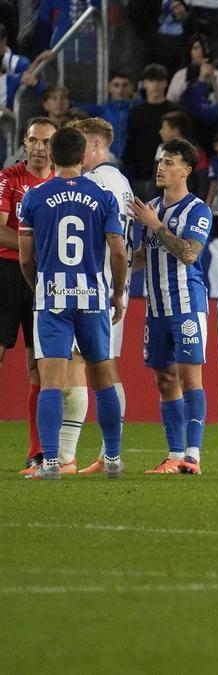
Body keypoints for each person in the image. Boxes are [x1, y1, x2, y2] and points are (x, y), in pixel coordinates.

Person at [16, 126, 126, 480]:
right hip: (92, 298)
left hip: (52, 299)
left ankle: (51, 462)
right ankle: (111, 457)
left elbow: (24, 257)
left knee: (51, 382)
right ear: (82, 157)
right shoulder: (103, 196)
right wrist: (118, 291)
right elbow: (118, 250)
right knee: (103, 378)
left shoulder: (34, 197)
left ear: (52, 155)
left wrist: (39, 285)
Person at [129, 139, 211, 475]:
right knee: (164, 379)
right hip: (156, 309)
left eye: (170, 161)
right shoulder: (150, 206)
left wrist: (156, 225)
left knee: (190, 378)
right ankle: (174, 455)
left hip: (187, 305)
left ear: (187, 170)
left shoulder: (198, 210)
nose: (161, 167)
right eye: (160, 160)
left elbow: (189, 253)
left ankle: (193, 455)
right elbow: (140, 256)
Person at [65, 117, 136, 476]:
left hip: (93, 287)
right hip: (113, 286)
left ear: (94, 144)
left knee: (81, 366)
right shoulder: (121, 182)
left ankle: (63, 458)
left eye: (79, 142)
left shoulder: (94, 183)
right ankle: (110, 454)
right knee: (102, 369)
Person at [0, 117, 56, 472]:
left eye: (46, 142)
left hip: (40, 281)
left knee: (39, 368)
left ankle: (37, 451)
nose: (38, 147)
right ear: (24, 142)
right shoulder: (8, 179)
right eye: (33, 140)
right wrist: (33, 252)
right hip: (5, 273)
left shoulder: (60, 184)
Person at [125, 64, 185, 200]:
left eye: (159, 80)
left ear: (165, 83)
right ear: (144, 83)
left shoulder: (176, 112)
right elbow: (131, 142)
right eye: (152, 81)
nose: (156, 85)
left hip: (171, 176)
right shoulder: (136, 113)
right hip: (141, 175)